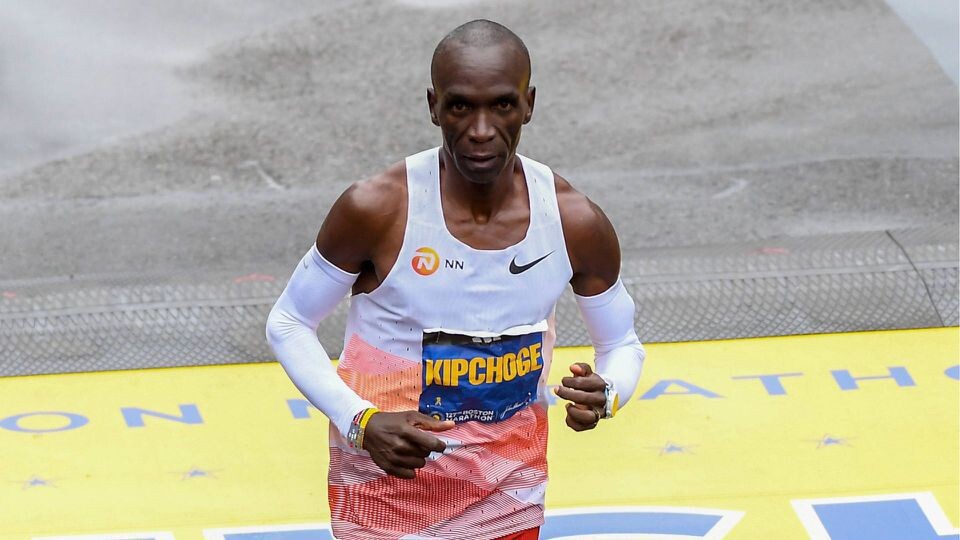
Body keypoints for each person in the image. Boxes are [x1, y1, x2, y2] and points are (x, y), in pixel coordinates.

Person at [266, 19, 645, 540]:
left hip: (508, 499)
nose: (481, 129)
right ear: (433, 106)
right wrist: (361, 421)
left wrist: (608, 393)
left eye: (502, 105)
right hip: (385, 501)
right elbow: (288, 322)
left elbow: (622, 344)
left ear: (529, 104)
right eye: (460, 106)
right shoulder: (377, 209)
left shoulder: (573, 221)